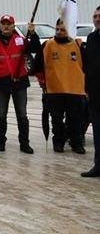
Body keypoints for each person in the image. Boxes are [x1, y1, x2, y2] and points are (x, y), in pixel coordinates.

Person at [0, 14, 40, 154]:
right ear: (0, 26)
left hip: (19, 83)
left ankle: (24, 143)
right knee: (1, 114)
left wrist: (33, 34)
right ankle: (1, 141)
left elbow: (35, 48)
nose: (6, 26)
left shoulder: (21, 40)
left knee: (22, 115)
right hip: (1, 84)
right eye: (3, 23)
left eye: (9, 24)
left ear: (13, 26)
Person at [35, 19, 86, 155]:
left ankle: (76, 142)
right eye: (57, 29)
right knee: (56, 119)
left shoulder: (77, 45)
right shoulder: (48, 45)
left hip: (74, 89)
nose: (59, 32)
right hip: (54, 89)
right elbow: (38, 66)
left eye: (62, 29)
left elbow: (85, 66)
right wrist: (42, 82)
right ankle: (58, 141)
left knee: (75, 119)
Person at [80, 6, 100, 177]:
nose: (97, 18)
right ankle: (98, 165)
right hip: (95, 93)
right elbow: (88, 65)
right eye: (95, 16)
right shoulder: (92, 38)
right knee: (98, 131)